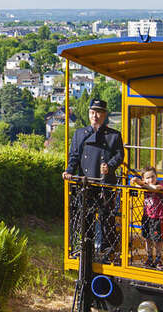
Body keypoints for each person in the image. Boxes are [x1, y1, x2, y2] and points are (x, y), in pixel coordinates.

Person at [63, 99, 124, 261]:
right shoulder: (79, 134)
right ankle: (86, 248)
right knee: (86, 216)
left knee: (107, 218)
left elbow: (119, 155)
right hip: (87, 184)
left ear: (104, 115)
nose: (94, 116)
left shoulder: (113, 136)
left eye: (98, 113)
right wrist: (69, 171)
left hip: (105, 183)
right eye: (92, 112)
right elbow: (74, 157)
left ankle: (107, 250)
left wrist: (109, 166)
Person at [132, 166, 163, 269]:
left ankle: (158, 259)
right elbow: (136, 186)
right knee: (147, 238)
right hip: (147, 216)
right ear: (144, 179)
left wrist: (141, 183)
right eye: (147, 178)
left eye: (153, 176)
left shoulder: (160, 184)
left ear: (156, 177)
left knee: (158, 240)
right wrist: (135, 181)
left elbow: (156, 189)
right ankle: (149, 257)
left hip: (158, 217)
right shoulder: (145, 185)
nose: (151, 179)